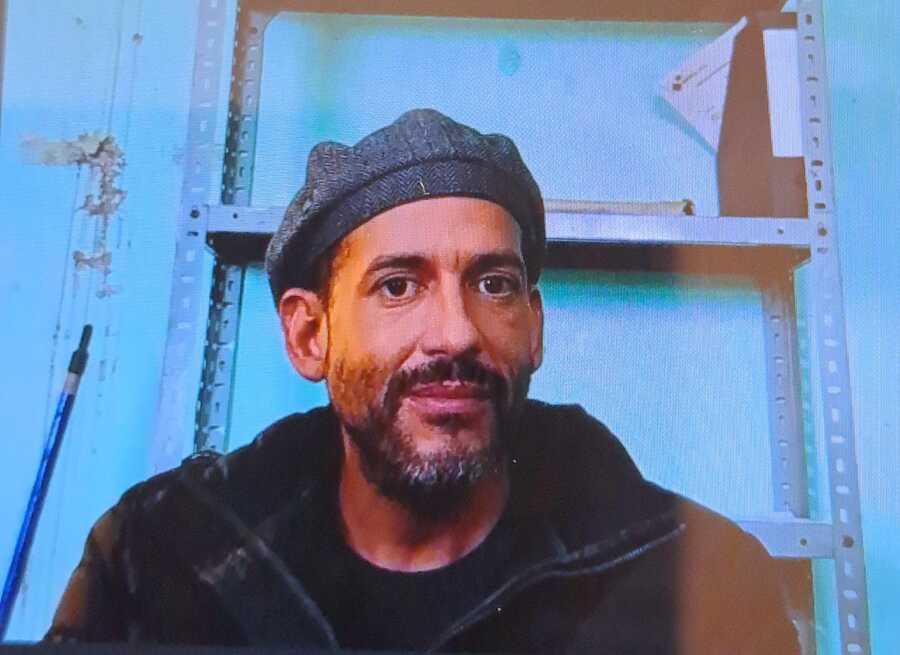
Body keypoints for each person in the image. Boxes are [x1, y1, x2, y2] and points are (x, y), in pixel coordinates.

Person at [47, 109, 801, 653]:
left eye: (494, 284)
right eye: (399, 286)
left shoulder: (699, 585)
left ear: (534, 327)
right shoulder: (160, 560)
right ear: (310, 334)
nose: (457, 333)